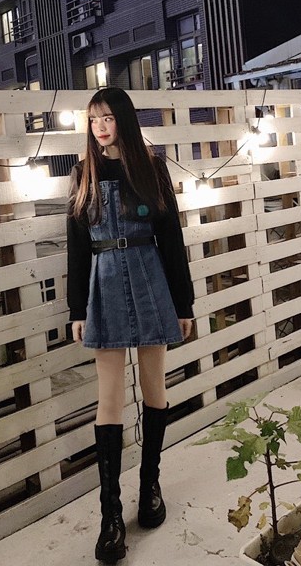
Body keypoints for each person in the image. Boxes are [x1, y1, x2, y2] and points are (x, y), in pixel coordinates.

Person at [66, 86, 195, 564]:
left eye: (108, 117)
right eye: (93, 119)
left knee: (155, 389)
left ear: (123, 119)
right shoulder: (82, 173)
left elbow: (172, 238)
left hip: (150, 280)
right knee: (110, 399)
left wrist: (183, 303)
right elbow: (76, 246)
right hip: (103, 286)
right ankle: (111, 516)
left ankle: (150, 486)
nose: (100, 126)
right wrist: (76, 309)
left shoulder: (152, 168)